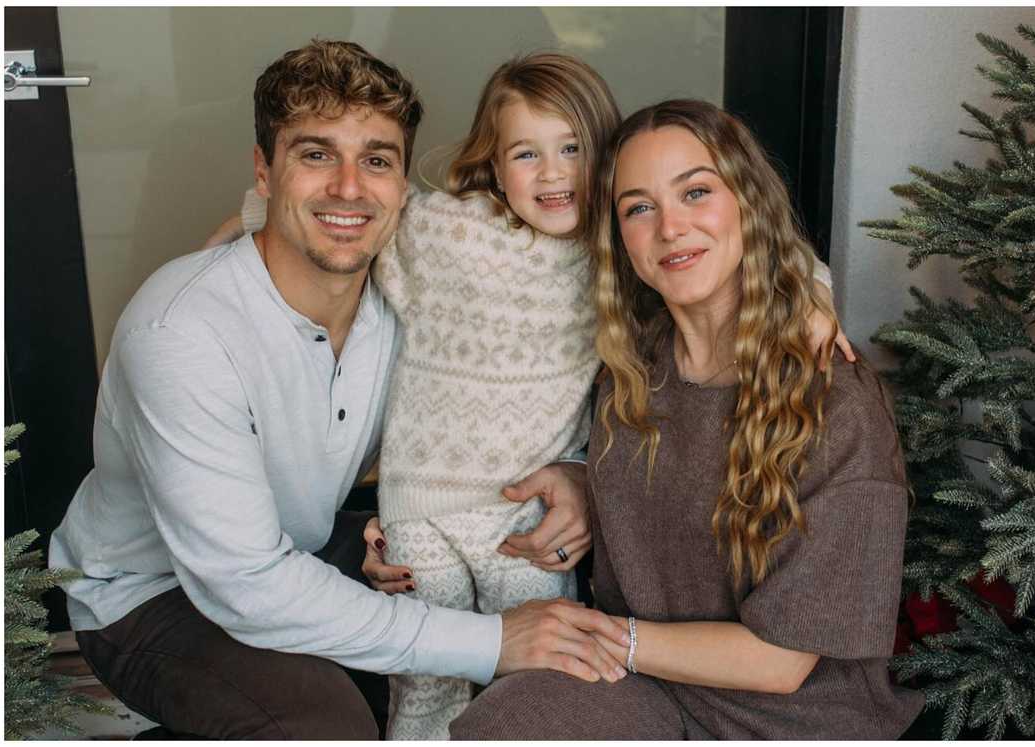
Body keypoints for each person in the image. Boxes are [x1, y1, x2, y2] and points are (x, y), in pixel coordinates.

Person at [214, 53, 851, 739]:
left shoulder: (621, 251)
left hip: (525, 521)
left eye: (572, 149)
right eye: (527, 152)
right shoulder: (441, 229)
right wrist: (214, 271)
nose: (552, 173)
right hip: (419, 513)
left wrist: (813, 296)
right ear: (493, 161)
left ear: (604, 159)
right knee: (424, 686)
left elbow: (753, 245)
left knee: (538, 678)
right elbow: (329, 209)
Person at [47, 40, 633, 741]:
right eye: (316, 154)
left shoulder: (407, 295)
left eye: (376, 160)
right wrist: (494, 640)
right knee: (326, 725)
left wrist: (573, 472)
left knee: (523, 602)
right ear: (265, 171)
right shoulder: (180, 333)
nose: (350, 188)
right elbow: (248, 585)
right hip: (157, 596)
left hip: (308, 542)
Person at [450, 99, 925, 740]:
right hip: (649, 691)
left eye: (695, 192)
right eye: (639, 208)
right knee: (504, 724)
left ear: (747, 204)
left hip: (791, 720)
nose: (670, 228)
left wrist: (599, 634)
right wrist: (578, 476)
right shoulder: (631, 369)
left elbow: (783, 662)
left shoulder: (836, 401)